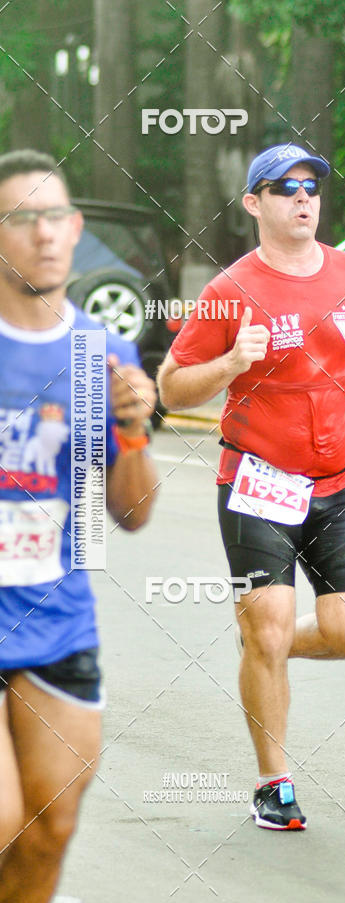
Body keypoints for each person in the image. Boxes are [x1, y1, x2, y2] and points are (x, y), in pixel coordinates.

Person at [158, 143, 345, 831]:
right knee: (269, 622)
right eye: (284, 188)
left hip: (340, 480)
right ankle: (273, 782)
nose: (303, 198)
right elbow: (171, 385)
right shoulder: (230, 291)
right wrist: (229, 363)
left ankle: (266, 646)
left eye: (311, 186)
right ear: (254, 203)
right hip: (257, 480)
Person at [0, 150, 159, 902]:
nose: (43, 234)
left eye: (55, 217)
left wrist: (132, 432)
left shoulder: (103, 353)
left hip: (56, 620)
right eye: (22, 219)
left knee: (49, 827)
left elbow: (129, 513)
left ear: (77, 228)